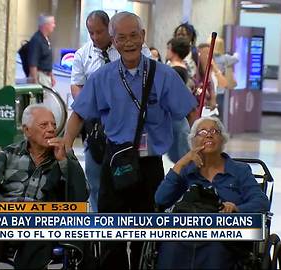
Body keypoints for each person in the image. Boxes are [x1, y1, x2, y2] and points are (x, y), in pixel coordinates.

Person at [64, 11, 198, 269]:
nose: (128, 42)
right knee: (110, 232)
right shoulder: (103, 77)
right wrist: (66, 142)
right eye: (122, 37)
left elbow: (191, 111)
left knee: (146, 234)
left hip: (149, 166)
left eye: (134, 36)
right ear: (113, 41)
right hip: (114, 160)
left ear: (143, 36)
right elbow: (79, 112)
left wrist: (201, 138)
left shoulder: (164, 75)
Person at [0, 104, 88, 269]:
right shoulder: (10, 154)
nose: (51, 129)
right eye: (43, 125)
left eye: (53, 125)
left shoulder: (63, 157)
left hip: (42, 222)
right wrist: (1, 207)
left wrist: (63, 162)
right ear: (27, 131)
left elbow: (82, 194)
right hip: (6, 218)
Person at [155, 116, 270, 269]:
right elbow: (161, 199)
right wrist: (181, 163)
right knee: (171, 244)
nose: (209, 135)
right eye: (202, 132)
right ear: (192, 141)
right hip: (187, 232)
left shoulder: (239, 171)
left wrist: (237, 209)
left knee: (215, 247)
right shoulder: (186, 171)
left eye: (214, 131)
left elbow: (261, 202)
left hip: (225, 236)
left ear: (223, 140)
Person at [70, 10, 151, 212]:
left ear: (110, 29)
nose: (96, 37)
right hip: (97, 126)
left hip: (134, 127)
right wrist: (89, 106)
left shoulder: (134, 50)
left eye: (100, 31)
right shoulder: (83, 55)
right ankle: (102, 229)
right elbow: (76, 85)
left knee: (137, 178)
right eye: (91, 33)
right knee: (97, 179)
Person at [165, 37, 191, 163]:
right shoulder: (181, 68)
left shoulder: (176, 70)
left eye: (168, 48)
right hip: (176, 115)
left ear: (173, 50)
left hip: (175, 116)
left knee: (180, 152)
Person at [28, 14, 56, 88]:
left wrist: (51, 75)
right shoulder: (37, 40)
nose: (54, 25)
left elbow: (46, 61)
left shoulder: (46, 39)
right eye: (52, 23)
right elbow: (33, 63)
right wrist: (35, 83)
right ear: (46, 25)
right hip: (40, 77)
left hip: (46, 77)